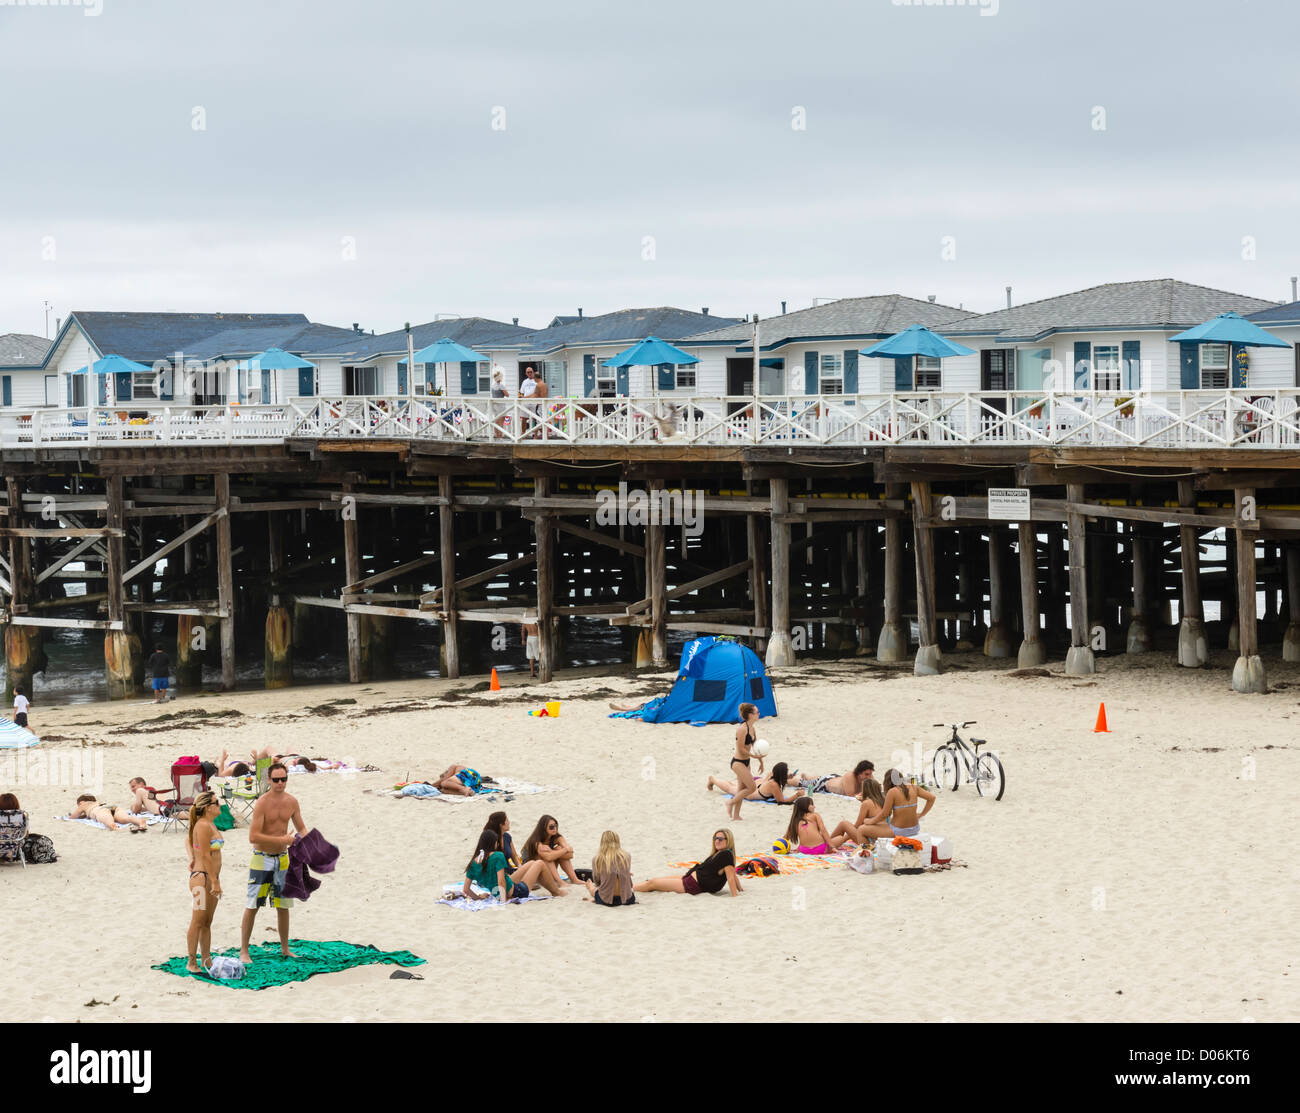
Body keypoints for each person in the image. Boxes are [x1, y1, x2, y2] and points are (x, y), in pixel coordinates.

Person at [239, 762, 308, 963]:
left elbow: (301, 828)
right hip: (262, 859)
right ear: (269, 780)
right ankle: (244, 951)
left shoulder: (292, 802)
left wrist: (311, 845)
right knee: (253, 904)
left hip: (283, 860)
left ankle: (285, 948)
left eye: (283, 779)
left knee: (283, 905)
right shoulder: (262, 802)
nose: (280, 783)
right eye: (276, 780)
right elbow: (254, 837)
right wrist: (282, 841)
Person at [462, 828, 564, 902]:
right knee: (540, 863)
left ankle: (554, 889)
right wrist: (503, 900)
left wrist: (479, 898)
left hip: (502, 889)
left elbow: (466, 890)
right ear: (493, 843)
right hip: (517, 891)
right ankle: (556, 892)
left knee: (532, 863)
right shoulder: (497, 856)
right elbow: (501, 881)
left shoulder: (473, 863)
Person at [634, 829, 741, 897]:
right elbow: (732, 873)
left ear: (728, 840)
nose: (717, 841)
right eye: (715, 838)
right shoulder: (722, 854)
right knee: (653, 881)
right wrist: (740, 888)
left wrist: (735, 895)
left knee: (653, 883)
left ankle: (628, 889)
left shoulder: (726, 855)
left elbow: (730, 876)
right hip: (690, 879)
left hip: (692, 885)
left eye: (720, 839)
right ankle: (630, 887)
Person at [185, 791, 224, 973]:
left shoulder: (210, 824)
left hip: (211, 878)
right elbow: (207, 856)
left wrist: (192, 855)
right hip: (201, 878)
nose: (220, 805)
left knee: (207, 921)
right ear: (208, 807)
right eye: (217, 802)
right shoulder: (202, 825)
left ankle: (206, 959)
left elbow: (189, 839)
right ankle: (191, 961)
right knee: (197, 920)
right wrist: (215, 881)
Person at [855, 769, 935, 842]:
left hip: (899, 831)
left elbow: (884, 814)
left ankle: (867, 854)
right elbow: (932, 798)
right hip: (915, 828)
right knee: (886, 822)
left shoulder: (892, 792)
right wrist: (922, 814)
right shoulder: (914, 787)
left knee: (861, 829)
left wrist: (870, 821)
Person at [724, 703, 763, 822]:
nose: (759, 714)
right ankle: (730, 802)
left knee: (742, 789)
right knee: (751, 787)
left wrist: (761, 761)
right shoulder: (742, 729)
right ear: (750, 715)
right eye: (757, 712)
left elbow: (755, 746)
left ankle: (736, 815)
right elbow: (741, 749)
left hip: (747, 761)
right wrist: (754, 757)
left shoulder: (752, 728)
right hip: (738, 762)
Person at [707, 760, 803, 805]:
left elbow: (780, 777)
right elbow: (781, 801)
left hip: (760, 784)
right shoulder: (774, 785)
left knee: (733, 785)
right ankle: (713, 780)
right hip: (751, 794)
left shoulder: (772, 774)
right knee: (730, 788)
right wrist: (797, 795)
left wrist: (788, 776)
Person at [522, 814, 580, 887]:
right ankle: (560, 882)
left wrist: (558, 851)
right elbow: (548, 858)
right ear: (544, 828)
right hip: (531, 873)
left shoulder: (557, 837)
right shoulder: (536, 841)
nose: (555, 829)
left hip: (546, 871)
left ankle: (574, 879)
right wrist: (565, 849)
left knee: (558, 849)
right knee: (547, 856)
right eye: (551, 827)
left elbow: (570, 855)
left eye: (556, 826)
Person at [784, 796, 856, 855]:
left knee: (825, 837)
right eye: (812, 804)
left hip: (804, 851)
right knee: (840, 838)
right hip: (820, 849)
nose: (814, 807)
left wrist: (781, 848)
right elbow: (823, 830)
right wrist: (832, 847)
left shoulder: (794, 821)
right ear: (805, 806)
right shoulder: (815, 815)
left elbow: (785, 838)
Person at [584, 830, 635, 906]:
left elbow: (597, 881)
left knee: (594, 889)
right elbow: (630, 885)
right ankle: (594, 898)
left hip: (607, 900)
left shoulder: (597, 859)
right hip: (627, 899)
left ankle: (591, 890)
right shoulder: (627, 856)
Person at [67, 794, 147, 832]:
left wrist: (80, 814)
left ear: (81, 802)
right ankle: (141, 822)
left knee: (107, 819)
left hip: (100, 810)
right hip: (111, 807)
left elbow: (73, 817)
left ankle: (115, 828)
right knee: (125, 818)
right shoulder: (97, 802)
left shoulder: (83, 805)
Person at [800, 760, 876, 799]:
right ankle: (789, 779)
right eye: (866, 774)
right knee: (801, 783)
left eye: (870, 774)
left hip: (835, 778)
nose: (869, 777)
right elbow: (851, 795)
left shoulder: (869, 777)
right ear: (859, 773)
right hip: (824, 784)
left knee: (818, 778)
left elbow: (876, 789)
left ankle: (806, 776)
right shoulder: (850, 776)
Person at [491, 368, 509, 438]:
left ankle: (496, 434)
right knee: (501, 421)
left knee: (496, 421)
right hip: (500, 404)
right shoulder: (501, 385)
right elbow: (507, 395)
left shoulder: (493, 386)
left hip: (494, 404)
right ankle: (500, 436)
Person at [521, 612, 539, 677]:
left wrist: (523, 639)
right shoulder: (535, 620)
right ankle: (542, 670)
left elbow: (523, 631)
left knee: (531, 656)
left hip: (529, 638)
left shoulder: (525, 621)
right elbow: (540, 629)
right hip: (536, 637)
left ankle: (532, 672)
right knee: (540, 655)